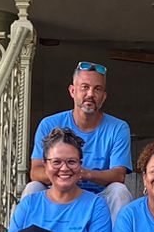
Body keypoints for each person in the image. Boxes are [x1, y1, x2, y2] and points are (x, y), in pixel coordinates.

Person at [26, 61, 133, 221]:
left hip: (99, 197)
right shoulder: (49, 124)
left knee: (119, 191)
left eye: (97, 89)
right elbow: (35, 172)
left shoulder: (118, 128)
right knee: (33, 188)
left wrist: (85, 174)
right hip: (57, 193)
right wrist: (65, 174)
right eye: (84, 87)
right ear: (72, 91)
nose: (90, 94)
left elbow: (118, 175)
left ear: (104, 97)